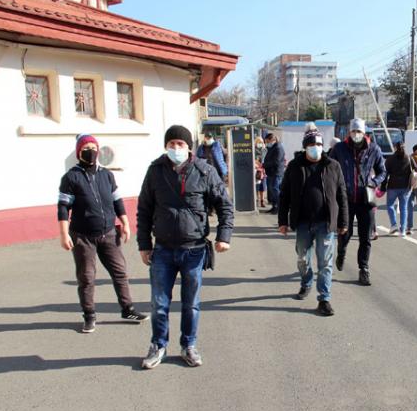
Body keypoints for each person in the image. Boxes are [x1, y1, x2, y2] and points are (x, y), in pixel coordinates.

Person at [137, 125, 234, 369]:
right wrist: (144, 245)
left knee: (191, 304)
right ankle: (158, 345)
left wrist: (224, 236)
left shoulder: (205, 170)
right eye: (171, 144)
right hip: (163, 250)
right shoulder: (155, 171)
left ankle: (188, 345)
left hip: (194, 249)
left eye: (180, 144)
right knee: (159, 303)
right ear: (166, 146)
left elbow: (224, 205)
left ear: (189, 147)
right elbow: (144, 210)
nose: (176, 148)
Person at [58, 134, 147, 333]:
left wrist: (125, 223)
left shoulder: (106, 175)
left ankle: (128, 309)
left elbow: (117, 201)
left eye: (93, 148)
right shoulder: (71, 177)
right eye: (86, 148)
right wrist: (64, 234)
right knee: (86, 277)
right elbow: (63, 207)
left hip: (108, 233)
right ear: (79, 152)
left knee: (120, 271)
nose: (90, 152)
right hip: (83, 236)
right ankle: (89, 315)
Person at [278, 131, 348, 316]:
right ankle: (306, 282)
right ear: (305, 147)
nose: (315, 148)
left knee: (325, 262)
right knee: (302, 258)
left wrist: (343, 221)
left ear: (323, 146)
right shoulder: (294, 166)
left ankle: (324, 299)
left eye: (318, 144)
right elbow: (284, 194)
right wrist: (283, 221)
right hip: (302, 223)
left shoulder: (333, 166)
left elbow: (341, 195)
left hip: (326, 223)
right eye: (311, 145)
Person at [329, 118, 386, 286]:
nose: (356, 134)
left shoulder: (374, 149)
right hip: (345, 199)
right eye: (354, 131)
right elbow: (329, 168)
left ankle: (364, 269)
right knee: (344, 233)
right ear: (349, 132)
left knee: (365, 237)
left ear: (364, 132)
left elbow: (383, 171)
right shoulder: (340, 148)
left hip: (365, 199)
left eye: (359, 131)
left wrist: (374, 182)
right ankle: (341, 252)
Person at [384, 142, 416, 238]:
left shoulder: (390, 159)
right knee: (403, 208)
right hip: (406, 186)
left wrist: (382, 186)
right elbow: (416, 169)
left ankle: (394, 225)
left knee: (390, 205)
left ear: (394, 148)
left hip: (392, 186)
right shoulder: (409, 158)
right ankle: (403, 230)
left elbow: (385, 174)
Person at [263, 133, 285, 214]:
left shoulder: (278, 148)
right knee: (272, 191)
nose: (267, 143)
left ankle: (280, 208)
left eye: (267, 141)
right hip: (271, 173)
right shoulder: (272, 147)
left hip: (276, 173)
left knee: (276, 190)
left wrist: (264, 165)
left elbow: (276, 162)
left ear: (272, 140)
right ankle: (274, 206)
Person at [254, 136, 267, 208]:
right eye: (258, 142)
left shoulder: (264, 150)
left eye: (261, 142)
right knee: (256, 186)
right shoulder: (253, 150)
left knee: (263, 187)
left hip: (263, 170)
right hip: (256, 170)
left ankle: (262, 201)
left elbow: (265, 159)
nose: (260, 144)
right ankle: (256, 200)